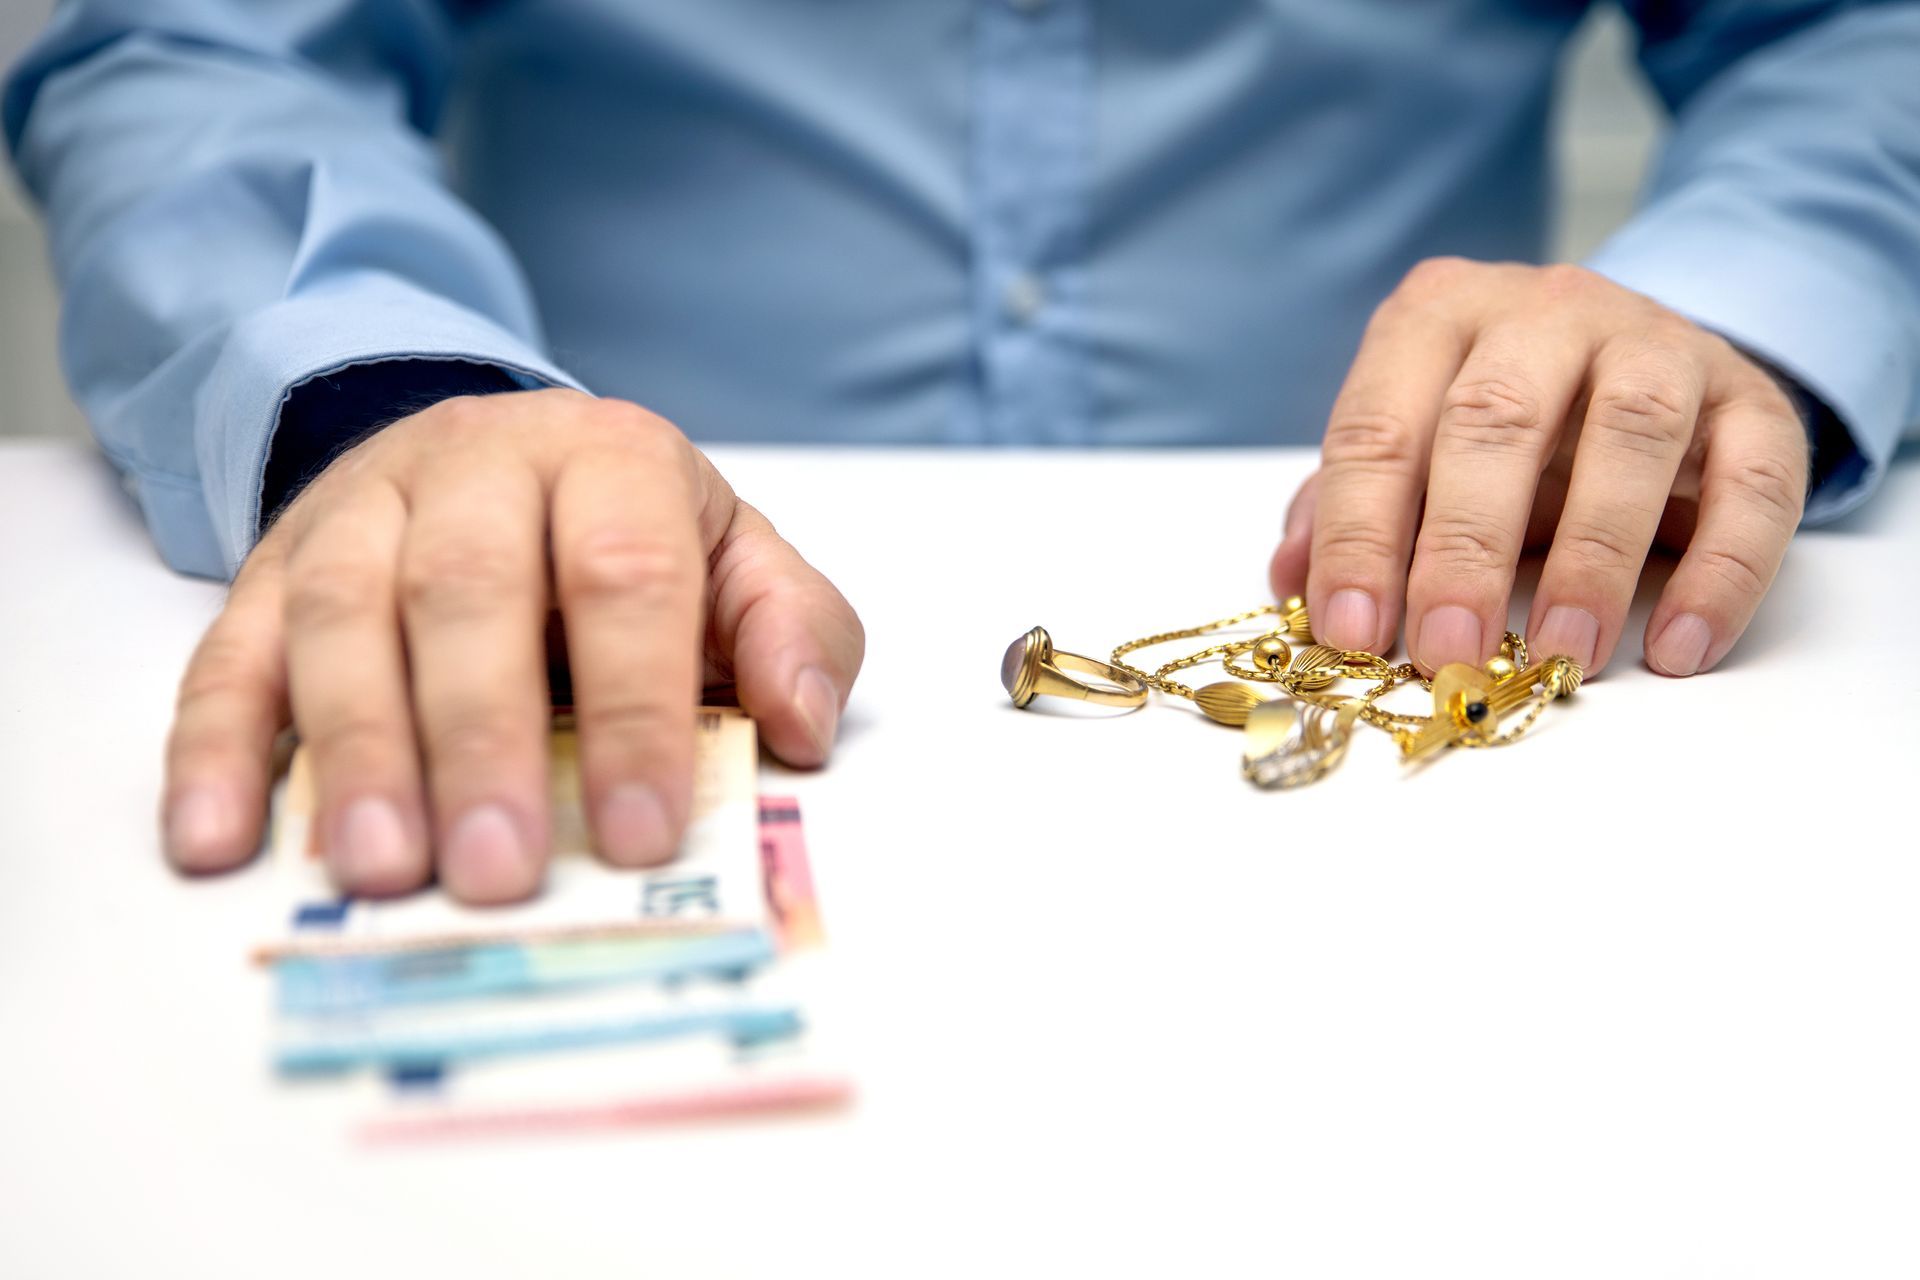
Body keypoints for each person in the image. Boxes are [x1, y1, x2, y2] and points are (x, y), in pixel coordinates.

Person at [6, 2, 1916, 903]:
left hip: (1501, 707)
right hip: (599, 575)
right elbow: (192, 45)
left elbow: (1847, 34)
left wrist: (1724, 327)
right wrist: (392, 399)